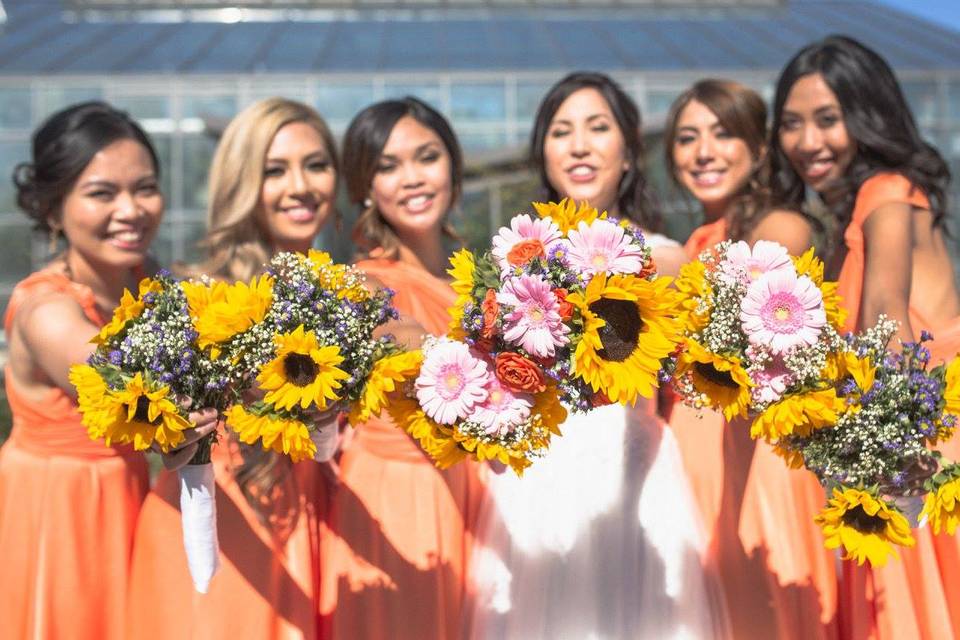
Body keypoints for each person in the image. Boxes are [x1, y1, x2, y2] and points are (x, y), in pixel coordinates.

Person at [469, 71, 726, 639]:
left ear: (629, 152)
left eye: (598, 127)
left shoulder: (666, 258)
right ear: (544, 151)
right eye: (562, 131)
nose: (580, 145)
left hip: (629, 474)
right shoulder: (508, 259)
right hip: (533, 477)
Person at [0, 101, 217, 639]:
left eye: (144, 188)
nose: (131, 210)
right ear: (53, 210)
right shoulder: (44, 310)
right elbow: (121, 377)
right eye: (102, 193)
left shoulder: (148, 282)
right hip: (58, 512)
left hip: (126, 498)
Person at [127, 97, 340, 640]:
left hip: (313, 524)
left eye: (315, 164)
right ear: (241, 182)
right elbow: (157, 426)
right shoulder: (199, 296)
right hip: (218, 528)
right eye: (274, 170)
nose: (300, 186)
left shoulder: (345, 296)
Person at [770, 35, 960, 640]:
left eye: (828, 120)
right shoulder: (861, 209)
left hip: (922, 451)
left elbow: (885, 309)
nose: (807, 142)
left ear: (867, 116)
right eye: (791, 124)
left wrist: (884, 448)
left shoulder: (886, 191)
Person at [665, 79, 841, 639]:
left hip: (753, 459)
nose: (703, 152)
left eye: (723, 133)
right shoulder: (695, 240)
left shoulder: (780, 226)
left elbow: (758, 304)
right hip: (691, 462)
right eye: (687, 137)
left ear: (759, 149)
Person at [318, 97, 487, 640]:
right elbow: (398, 343)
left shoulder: (479, 281)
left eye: (427, 157)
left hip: (481, 499)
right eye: (388, 167)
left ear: (453, 168)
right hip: (402, 500)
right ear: (366, 187)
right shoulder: (361, 284)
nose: (411, 179)